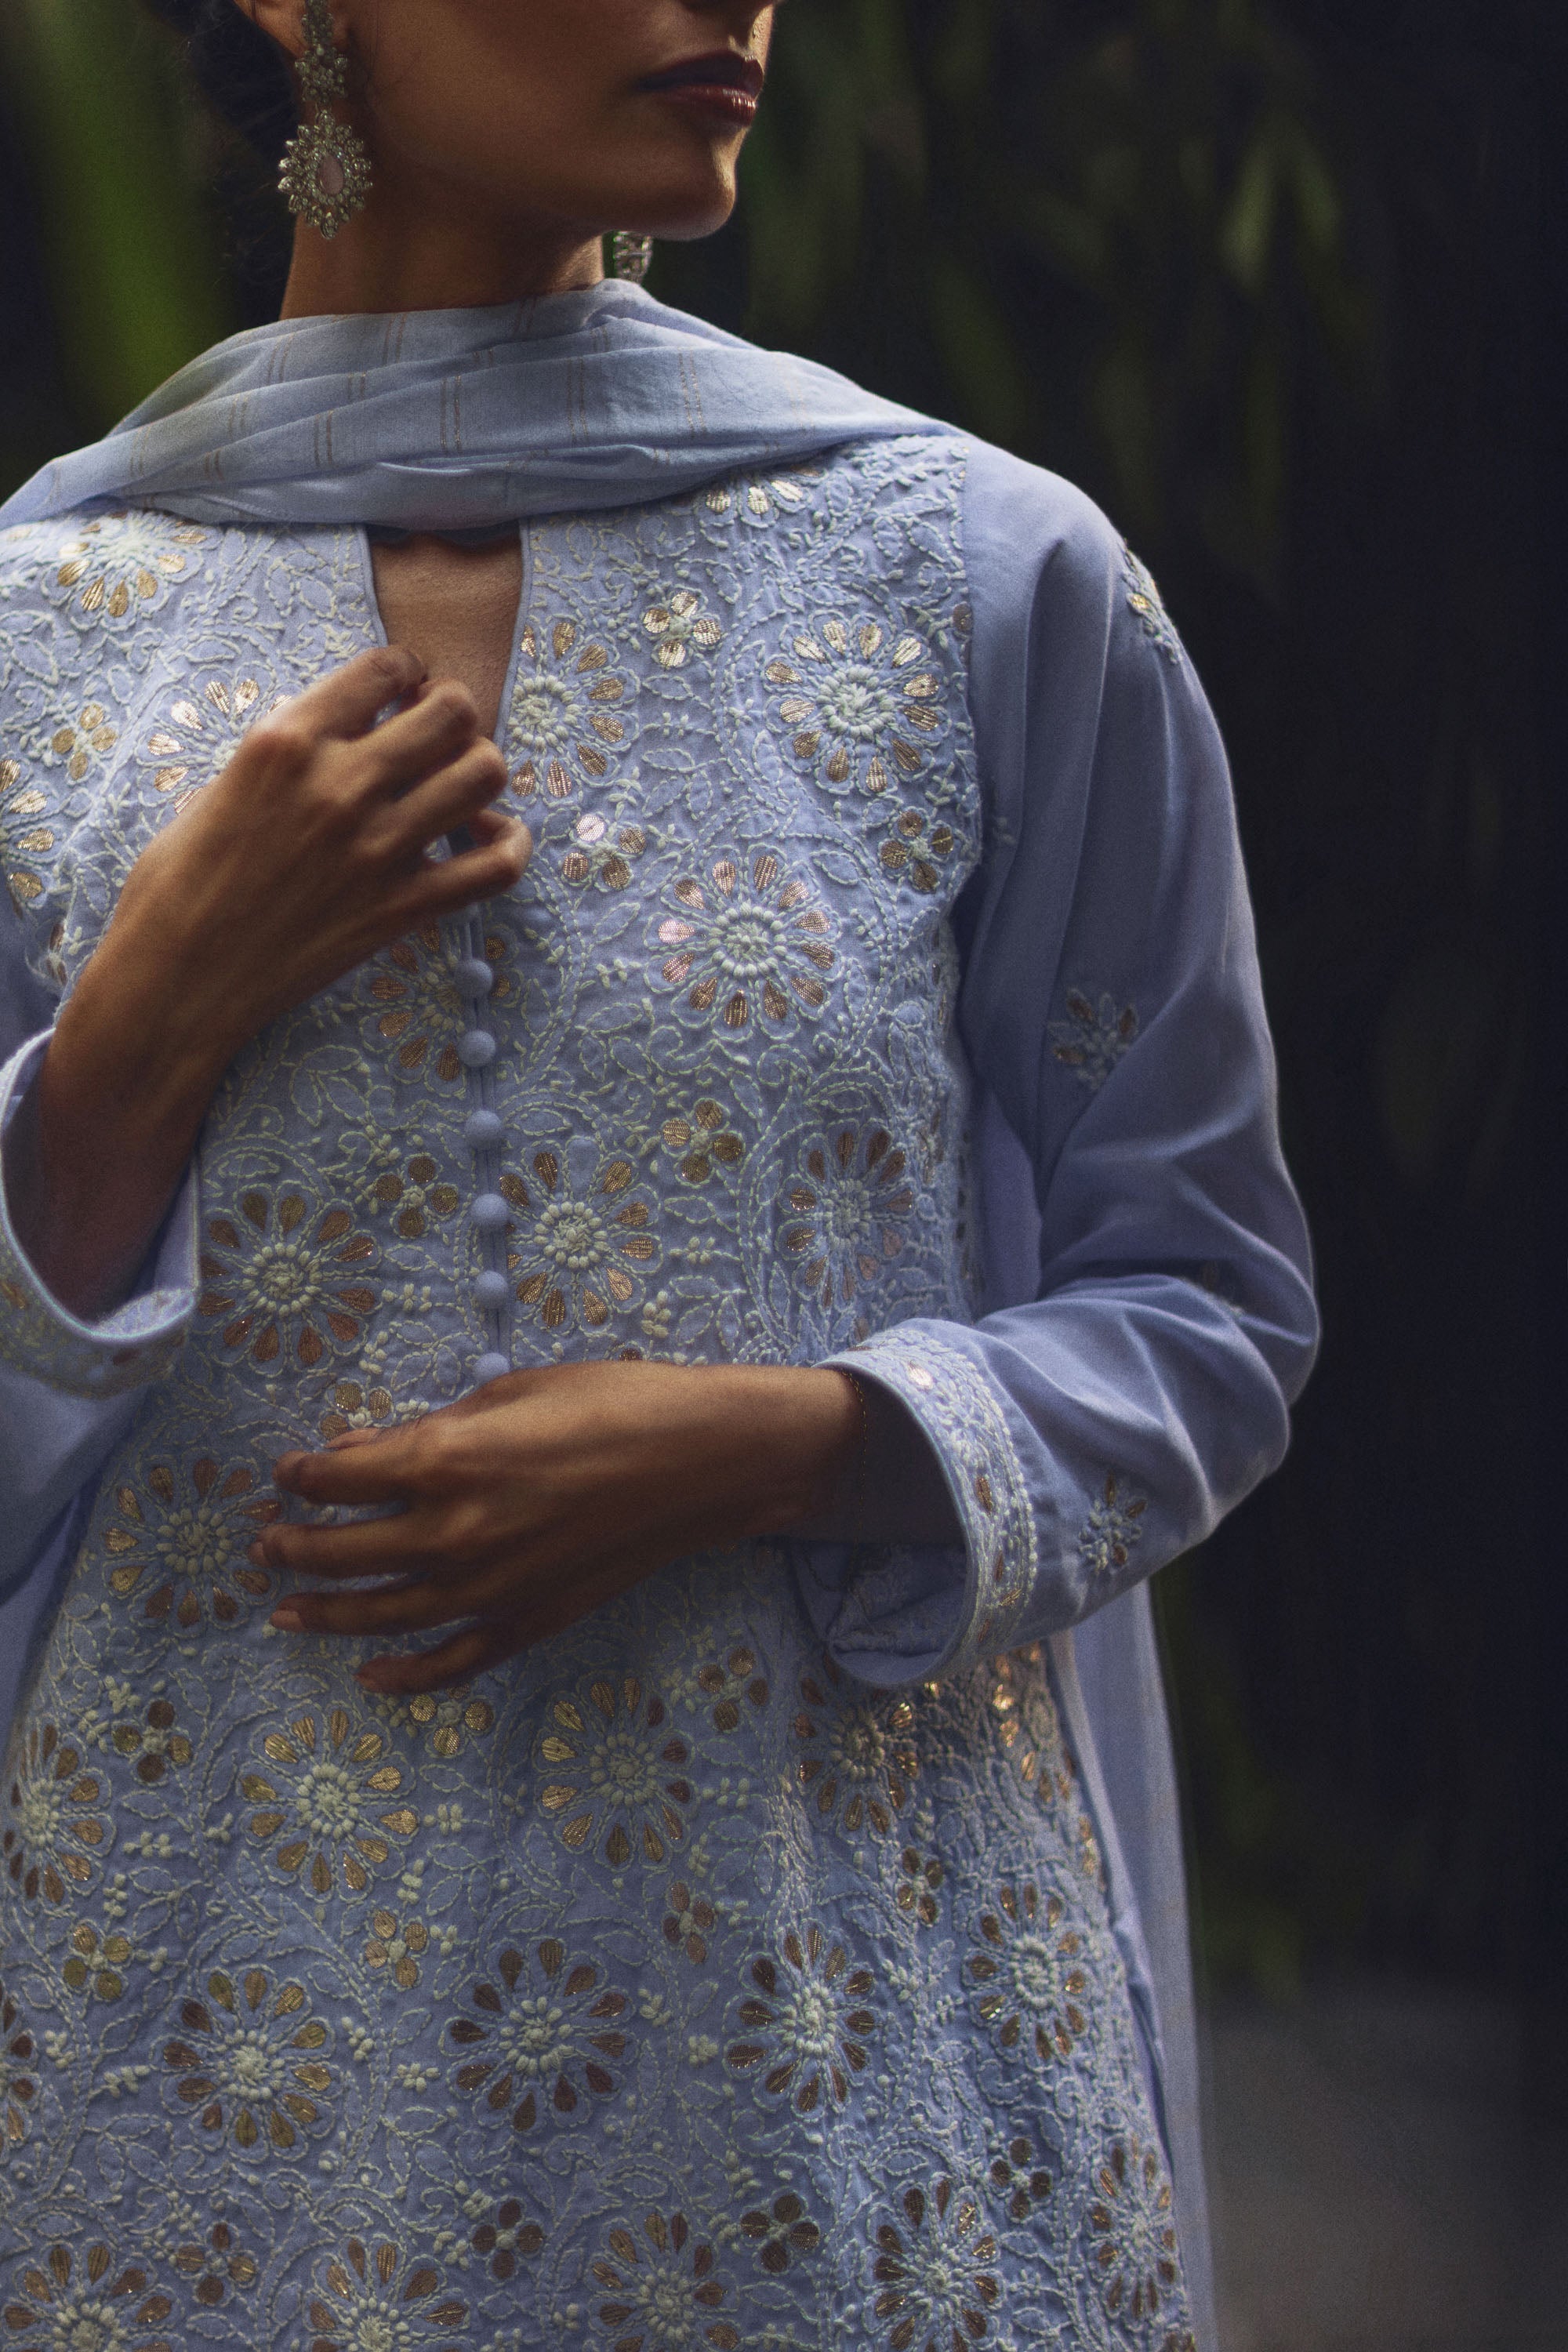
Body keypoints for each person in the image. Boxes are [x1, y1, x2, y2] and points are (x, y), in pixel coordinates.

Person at [0, 2, 1316, 2343]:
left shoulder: (991, 586)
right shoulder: (35, 642)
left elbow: (1206, 1307)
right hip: (187, 2138)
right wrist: (135, 1043)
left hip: (845, 2118)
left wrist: (794, 1442)